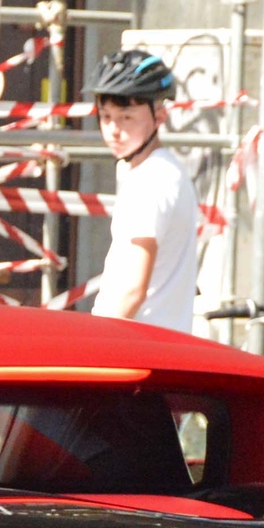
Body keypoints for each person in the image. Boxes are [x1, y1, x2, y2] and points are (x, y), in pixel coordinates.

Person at [87, 49, 200, 333]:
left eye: (126, 118)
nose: (113, 130)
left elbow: (133, 287)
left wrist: (96, 343)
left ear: (159, 116)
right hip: (161, 346)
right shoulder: (168, 172)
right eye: (106, 116)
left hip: (135, 348)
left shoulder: (151, 181)